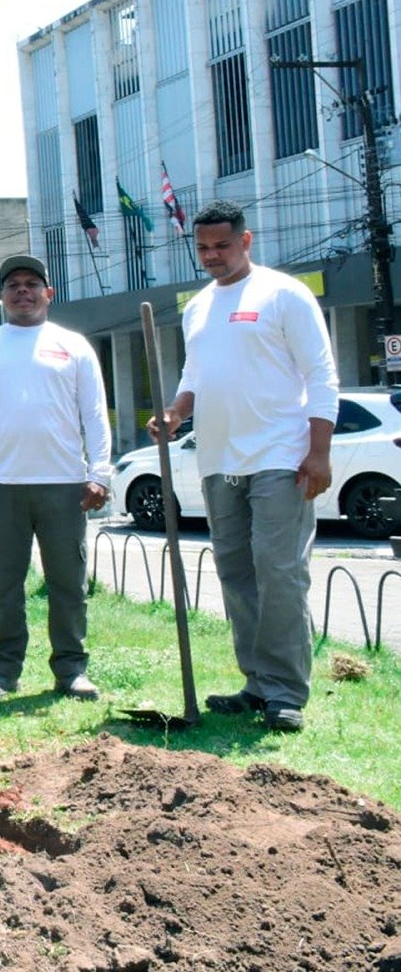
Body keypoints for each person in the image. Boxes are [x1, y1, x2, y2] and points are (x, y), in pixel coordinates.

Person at [149, 200, 337, 733]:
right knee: (236, 574)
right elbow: (196, 371)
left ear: (246, 241)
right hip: (216, 459)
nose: (212, 256)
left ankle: (284, 693)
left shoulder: (284, 294)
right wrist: (176, 412)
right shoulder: (198, 307)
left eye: (222, 246)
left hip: (280, 455)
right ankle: (256, 683)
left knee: (278, 573)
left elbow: (322, 375)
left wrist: (318, 451)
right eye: (203, 248)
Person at [0, 254, 112, 703]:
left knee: (67, 583)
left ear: (48, 293)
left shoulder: (74, 345)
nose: (22, 291)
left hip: (65, 484)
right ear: (0, 296)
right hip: (1, 485)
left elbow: (94, 415)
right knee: (3, 586)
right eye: (13, 285)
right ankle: (3, 671)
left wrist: (100, 473)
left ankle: (71, 670)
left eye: (31, 284)